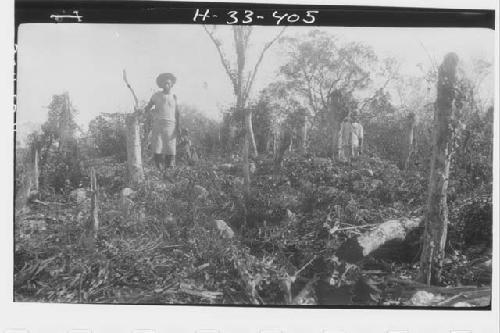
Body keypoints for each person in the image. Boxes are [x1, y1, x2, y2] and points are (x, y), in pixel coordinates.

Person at [143, 73, 180, 174]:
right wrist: (146, 114)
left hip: (171, 125)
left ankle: (169, 171)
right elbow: (148, 107)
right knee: (157, 147)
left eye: (168, 83)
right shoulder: (156, 95)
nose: (166, 85)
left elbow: (177, 113)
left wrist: (178, 127)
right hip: (158, 124)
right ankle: (159, 170)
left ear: (172, 84)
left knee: (171, 148)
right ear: (161, 85)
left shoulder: (174, 97)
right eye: (164, 83)